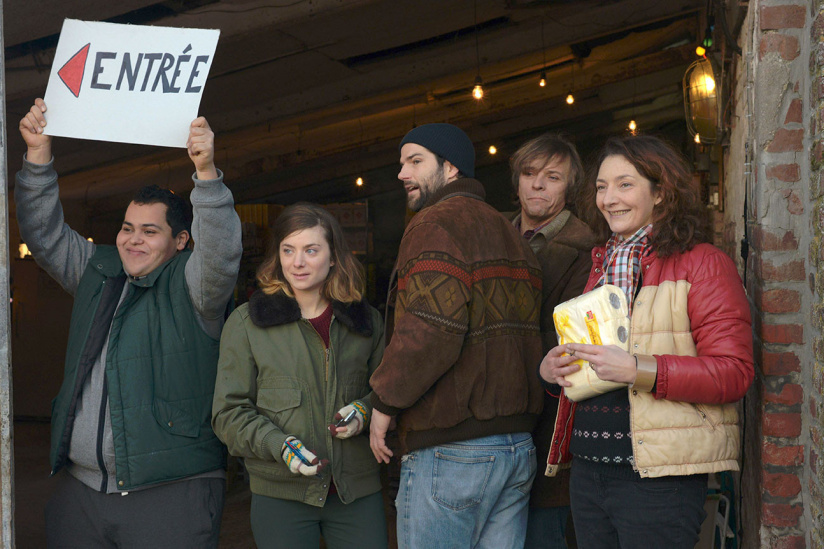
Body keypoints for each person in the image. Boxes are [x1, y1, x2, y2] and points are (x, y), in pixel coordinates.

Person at [16, 98, 242, 547]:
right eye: (127, 227)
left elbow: (220, 255)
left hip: (171, 493)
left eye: (149, 230)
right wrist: (38, 158)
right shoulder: (98, 270)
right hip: (82, 494)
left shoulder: (195, 286)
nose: (132, 239)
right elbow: (44, 235)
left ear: (180, 240)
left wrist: (207, 174)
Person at [539, 134, 754, 548]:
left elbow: (734, 372)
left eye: (625, 184)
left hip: (658, 481)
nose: (608, 198)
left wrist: (639, 370)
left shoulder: (703, 262)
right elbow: (595, 361)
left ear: (660, 192)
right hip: (587, 473)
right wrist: (553, 369)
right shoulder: (601, 262)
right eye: (601, 187)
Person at [368, 123, 545, 548]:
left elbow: (430, 330)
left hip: (452, 448)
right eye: (401, 163)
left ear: (450, 168)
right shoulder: (512, 232)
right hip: (517, 448)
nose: (401, 173)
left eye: (415, 161)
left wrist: (384, 402)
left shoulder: (435, 224)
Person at [212, 203, 387, 549]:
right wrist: (281, 447)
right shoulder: (248, 324)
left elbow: (387, 391)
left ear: (334, 256)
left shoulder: (366, 322)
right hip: (281, 494)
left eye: (311, 250)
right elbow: (227, 414)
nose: (298, 262)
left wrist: (365, 413)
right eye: (288, 250)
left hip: (356, 491)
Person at [507, 133, 598, 547]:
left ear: (570, 187)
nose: (538, 185)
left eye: (552, 176)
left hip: (547, 421)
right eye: (529, 174)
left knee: (542, 533)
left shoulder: (586, 251)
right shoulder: (493, 233)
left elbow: (571, 343)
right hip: (492, 423)